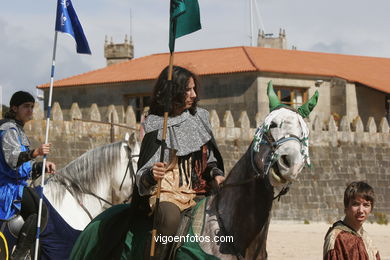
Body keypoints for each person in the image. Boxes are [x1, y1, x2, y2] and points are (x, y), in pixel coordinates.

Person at [135, 65, 225, 258]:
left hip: (198, 189)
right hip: (167, 192)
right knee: (169, 220)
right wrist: (152, 174)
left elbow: (208, 160)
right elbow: (142, 173)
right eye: (187, 90)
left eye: (194, 89)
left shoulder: (200, 117)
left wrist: (216, 175)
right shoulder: (157, 123)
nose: (194, 94)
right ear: (173, 91)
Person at [0, 91, 56, 260]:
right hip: (6, 188)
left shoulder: (18, 130)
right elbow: (12, 160)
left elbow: (23, 169)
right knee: (40, 210)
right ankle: (19, 255)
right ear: (14, 108)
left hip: (16, 184)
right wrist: (35, 152)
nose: (30, 110)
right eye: (26, 106)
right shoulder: (8, 130)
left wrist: (41, 166)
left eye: (32, 107)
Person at [323, 181, 381, 260]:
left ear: (371, 208)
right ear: (346, 206)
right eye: (355, 204)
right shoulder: (338, 238)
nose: (361, 210)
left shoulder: (366, 238)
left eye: (366, 205)